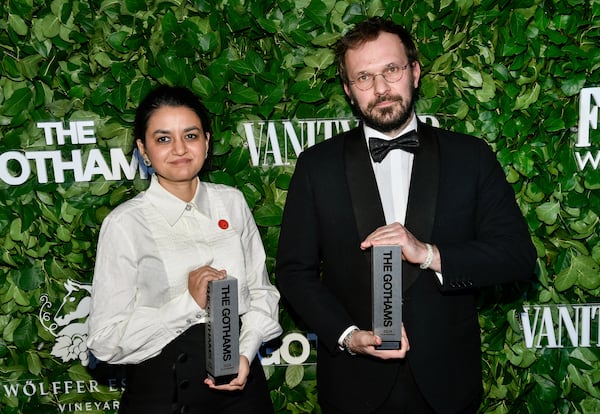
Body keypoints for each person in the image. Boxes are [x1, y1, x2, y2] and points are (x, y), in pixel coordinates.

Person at [275, 17, 536, 414]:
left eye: (391, 70)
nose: (380, 89)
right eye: (364, 77)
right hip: (354, 387)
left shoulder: (470, 157)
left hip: (448, 386)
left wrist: (429, 253)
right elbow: (294, 272)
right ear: (348, 90)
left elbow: (517, 255)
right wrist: (347, 335)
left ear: (414, 72)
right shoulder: (317, 166)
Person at [87, 85, 282, 414]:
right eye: (163, 139)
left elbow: (262, 294)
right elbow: (104, 341)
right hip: (163, 394)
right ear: (143, 150)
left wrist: (245, 354)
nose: (179, 149)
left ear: (206, 141)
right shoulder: (125, 224)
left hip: (242, 392)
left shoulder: (231, 202)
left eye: (190, 136)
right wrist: (188, 303)